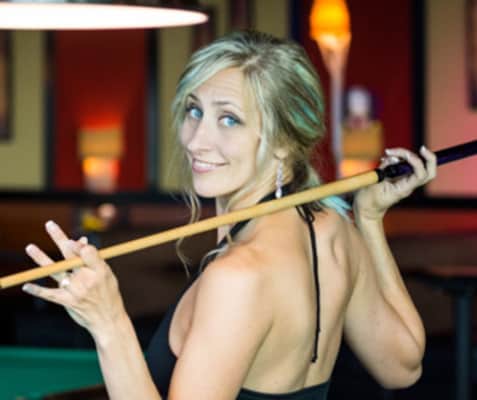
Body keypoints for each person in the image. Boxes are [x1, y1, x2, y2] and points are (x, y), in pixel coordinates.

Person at [21, 30, 436, 400]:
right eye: (194, 110)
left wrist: (108, 321)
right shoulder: (334, 228)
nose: (196, 140)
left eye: (229, 119)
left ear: (284, 142)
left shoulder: (237, 277)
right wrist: (368, 220)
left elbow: (401, 369)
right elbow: (403, 367)